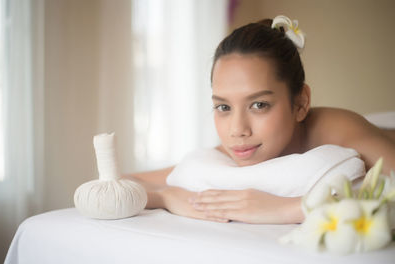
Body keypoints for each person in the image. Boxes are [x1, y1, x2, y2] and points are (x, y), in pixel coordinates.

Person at [126, 16, 395, 225]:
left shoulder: (340, 129)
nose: (237, 130)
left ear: (300, 103)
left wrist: (285, 208)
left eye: (258, 105)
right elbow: (126, 179)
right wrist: (165, 196)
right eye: (223, 107)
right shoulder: (237, 148)